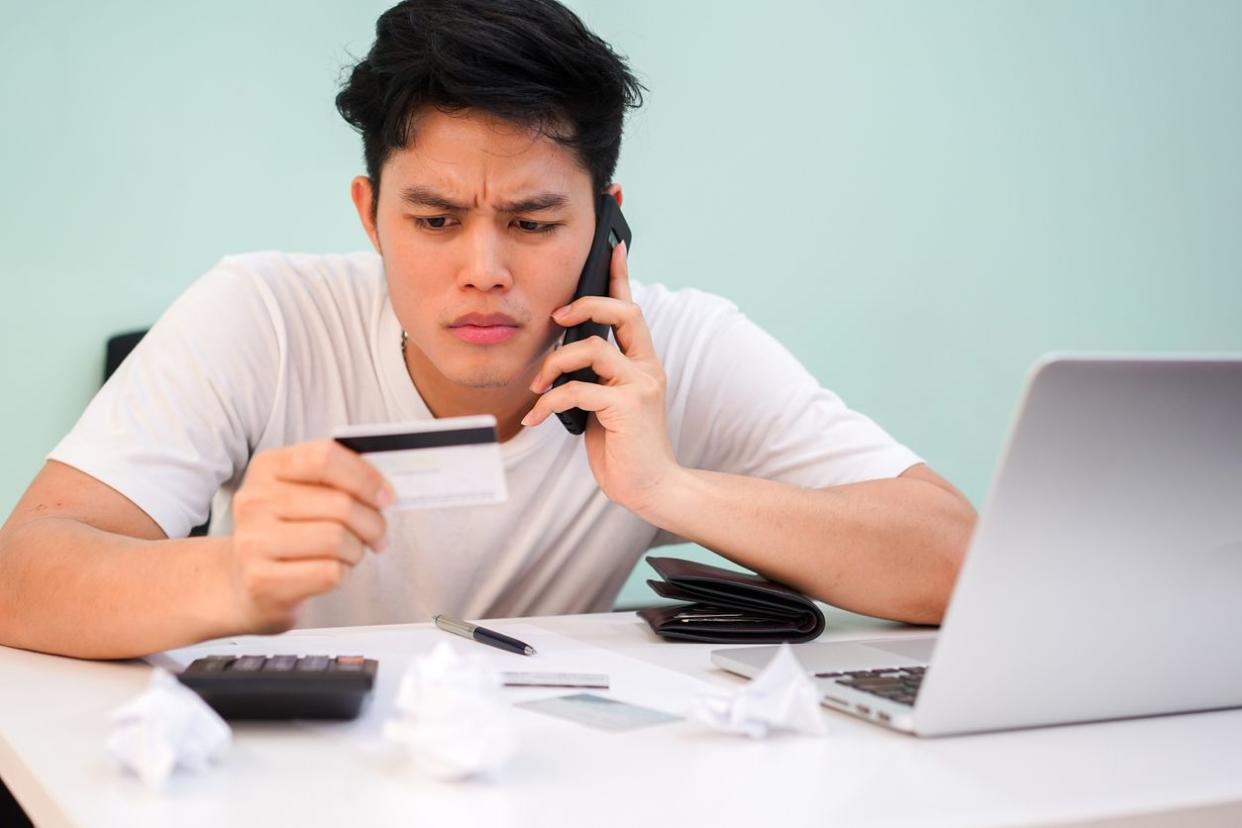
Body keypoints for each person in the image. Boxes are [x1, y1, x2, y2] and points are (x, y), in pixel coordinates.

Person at [0, 0, 976, 660]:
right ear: (367, 212)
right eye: (432, 221)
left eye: (534, 221)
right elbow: (22, 577)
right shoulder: (260, 313)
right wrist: (229, 573)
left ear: (607, 218)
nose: (482, 269)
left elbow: (958, 560)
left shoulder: (671, 346)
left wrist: (666, 486)